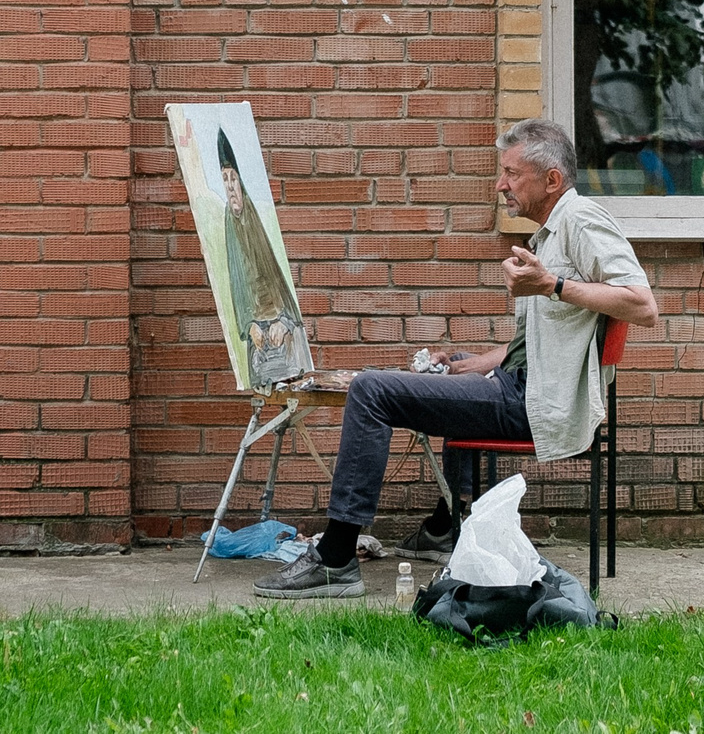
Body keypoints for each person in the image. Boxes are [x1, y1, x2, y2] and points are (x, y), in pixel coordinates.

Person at [252, 118, 658, 598]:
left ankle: (336, 558)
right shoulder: (553, 231)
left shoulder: (582, 220)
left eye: (512, 173)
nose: (500, 184)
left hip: (532, 403)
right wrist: (481, 362)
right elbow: (551, 337)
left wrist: (553, 285)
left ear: (551, 180)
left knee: (371, 389)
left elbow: (643, 304)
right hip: (521, 385)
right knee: (455, 365)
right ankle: (446, 528)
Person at [216, 133, 308, 386]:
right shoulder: (229, 221)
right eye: (225, 180)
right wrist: (249, 325)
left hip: (279, 323)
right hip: (257, 329)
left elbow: (273, 276)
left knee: (291, 377)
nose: (230, 186)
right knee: (263, 382)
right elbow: (238, 283)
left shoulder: (254, 217)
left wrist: (285, 320)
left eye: (233, 178)